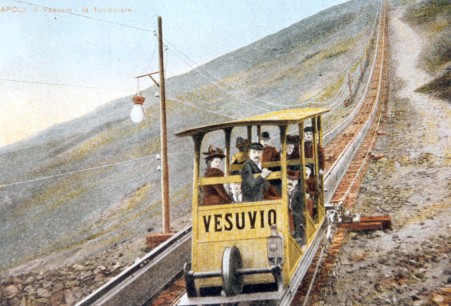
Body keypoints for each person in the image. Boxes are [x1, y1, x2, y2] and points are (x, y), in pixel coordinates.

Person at [287, 170, 306, 243]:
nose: (290, 182)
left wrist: (296, 215)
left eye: (293, 180)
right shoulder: (280, 192)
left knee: (295, 217)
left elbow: (300, 209)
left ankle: (297, 235)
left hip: (295, 215)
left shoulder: (299, 194)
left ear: (296, 182)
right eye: (288, 179)